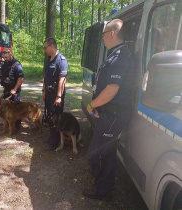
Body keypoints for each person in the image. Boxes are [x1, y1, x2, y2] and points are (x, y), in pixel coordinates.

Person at [83, 19, 136, 201]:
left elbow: (111, 91)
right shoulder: (115, 54)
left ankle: (101, 190)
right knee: (108, 152)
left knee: (96, 155)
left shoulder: (121, 57)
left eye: (104, 33)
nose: (103, 37)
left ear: (112, 34)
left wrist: (92, 105)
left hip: (112, 115)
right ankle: (103, 189)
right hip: (108, 112)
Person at [42, 37, 68, 151]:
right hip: (48, 93)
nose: (44, 49)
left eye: (45, 47)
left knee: (56, 117)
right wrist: (43, 91)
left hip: (56, 95)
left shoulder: (61, 60)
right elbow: (45, 77)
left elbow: (62, 80)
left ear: (52, 46)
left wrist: (58, 97)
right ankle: (52, 137)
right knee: (49, 115)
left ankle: (55, 141)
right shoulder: (48, 59)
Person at [0, 49, 24, 130]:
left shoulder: (17, 65)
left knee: (16, 110)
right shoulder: (5, 64)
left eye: (6, 57)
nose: (5, 59)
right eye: (3, 57)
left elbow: (20, 78)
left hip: (14, 92)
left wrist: (15, 89)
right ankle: (7, 125)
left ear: (10, 54)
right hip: (6, 91)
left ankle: (17, 127)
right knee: (5, 109)